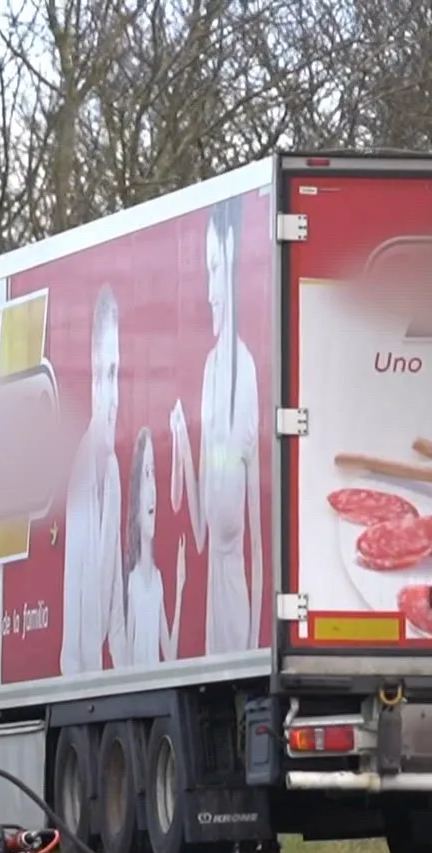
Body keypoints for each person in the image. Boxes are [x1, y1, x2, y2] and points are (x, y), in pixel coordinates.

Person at [170, 197, 265, 657]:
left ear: (234, 269)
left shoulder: (244, 374)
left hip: (238, 623)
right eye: (206, 271)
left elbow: (260, 547)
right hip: (213, 635)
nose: (209, 291)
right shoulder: (210, 372)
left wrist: (260, 649)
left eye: (215, 269)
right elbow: (203, 529)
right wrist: (184, 447)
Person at [60, 284, 127, 675]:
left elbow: (114, 618)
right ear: (90, 381)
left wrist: (134, 674)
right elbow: (83, 638)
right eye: (103, 374)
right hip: (78, 678)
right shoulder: (83, 477)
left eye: (117, 374)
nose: (112, 393)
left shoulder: (113, 473)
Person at [122, 428, 187, 667]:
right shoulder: (131, 582)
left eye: (153, 475)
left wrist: (180, 587)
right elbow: (126, 660)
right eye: (145, 475)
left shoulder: (157, 580)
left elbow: (169, 653)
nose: (152, 492)